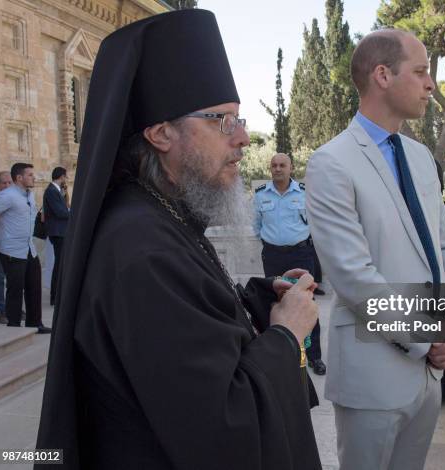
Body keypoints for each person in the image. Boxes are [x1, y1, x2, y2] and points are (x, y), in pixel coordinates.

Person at [36, 10, 321, 470]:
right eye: (222, 121)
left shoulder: (159, 215)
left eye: (239, 119)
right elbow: (222, 427)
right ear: (161, 133)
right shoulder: (140, 249)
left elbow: (188, 331)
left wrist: (258, 302)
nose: (244, 137)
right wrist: (287, 334)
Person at [306, 29, 445, 470]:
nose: (430, 84)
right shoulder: (331, 163)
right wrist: (428, 336)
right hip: (371, 373)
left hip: (428, 376)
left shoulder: (421, 159)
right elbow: (354, 277)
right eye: (420, 72)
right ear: (382, 75)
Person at [253, 153, 326, 375]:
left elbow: (315, 221)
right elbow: (257, 226)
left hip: (301, 255)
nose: (277, 169)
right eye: (274, 165)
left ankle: (314, 357)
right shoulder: (260, 195)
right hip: (273, 256)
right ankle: (281, 356)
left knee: (306, 302)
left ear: (290, 168)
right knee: (275, 304)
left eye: (282, 165)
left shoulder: (304, 193)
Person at [0, 164, 50, 334]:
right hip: (12, 250)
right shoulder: (7, 196)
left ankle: (35, 323)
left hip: (29, 248)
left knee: (34, 286)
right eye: (30, 175)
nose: (34, 178)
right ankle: (14, 326)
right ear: (19, 178)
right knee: (15, 289)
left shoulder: (29, 195)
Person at [43, 166, 70, 306]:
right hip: (58, 232)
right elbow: (60, 212)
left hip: (61, 231)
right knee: (59, 264)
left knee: (62, 263)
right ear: (61, 176)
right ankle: (55, 296)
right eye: (66, 176)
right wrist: (75, 213)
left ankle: (58, 295)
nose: (66, 179)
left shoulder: (57, 191)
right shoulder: (51, 191)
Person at [0, 171, 12, 323]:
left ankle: (10, 307)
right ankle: (1, 311)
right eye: (3, 183)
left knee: (10, 279)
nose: (6, 186)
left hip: (11, 246)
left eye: (9, 183)